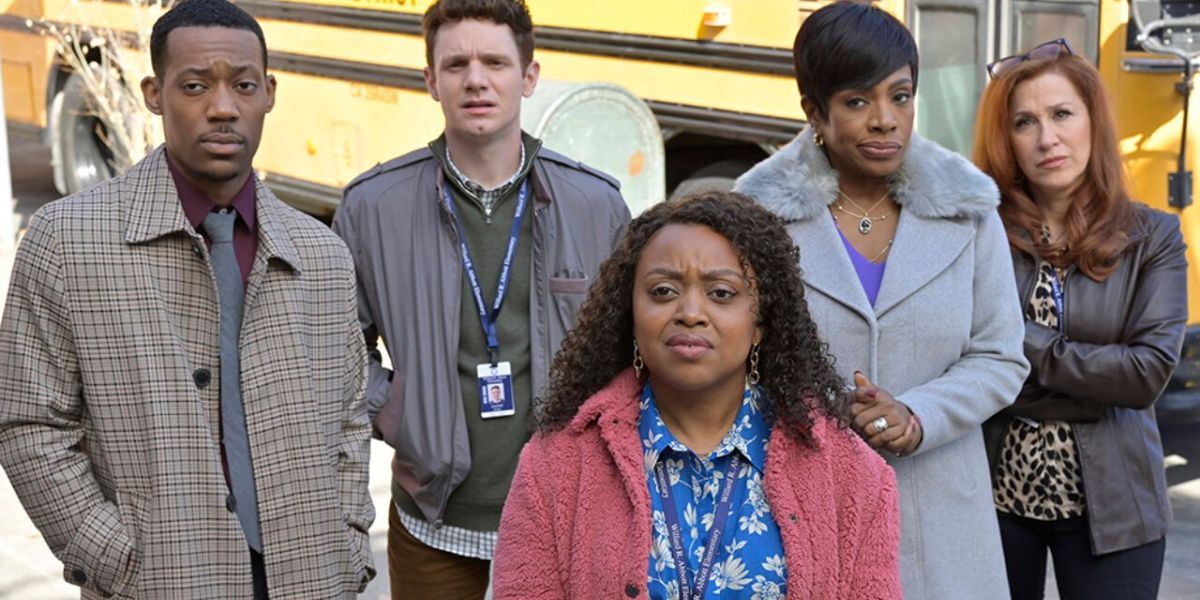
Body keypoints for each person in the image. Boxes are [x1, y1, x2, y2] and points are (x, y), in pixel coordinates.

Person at [0, 1, 374, 598]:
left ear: (270, 93)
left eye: (244, 86)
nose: (223, 107)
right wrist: (118, 557)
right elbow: (28, 423)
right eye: (195, 86)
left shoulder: (321, 253)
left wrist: (347, 541)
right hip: (160, 580)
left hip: (310, 576)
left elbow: (350, 418)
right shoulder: (68, 240)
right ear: (153, 92)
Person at [332, 0, 629, 597]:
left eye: (495, 61)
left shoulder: (595, 206)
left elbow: (632, 350)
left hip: (566, 519)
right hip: (435, 522)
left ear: (529, 76)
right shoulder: (373, 207)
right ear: (430, 81)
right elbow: (333, 347)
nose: (475, 79)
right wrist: (398, 411)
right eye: (456, 64)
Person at [734, 2, 1030, 598]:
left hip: (945, 522)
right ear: (814, 111)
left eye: (901, 95)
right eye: (857, 101)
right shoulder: (754, 218)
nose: (885, 120)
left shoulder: (968, 209)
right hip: (803, 511)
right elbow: (735, 361)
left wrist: (917, 414)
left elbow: (1002, 358)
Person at [491, 191, 900, 599]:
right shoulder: (556, 465)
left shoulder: (851, 475)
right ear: (630, 315)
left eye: (721, 293)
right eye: (663, 291)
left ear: (760, 323)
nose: (689, 311)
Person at [973, 40, 1187, 600]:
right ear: (1007, 140)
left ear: (1093, 119)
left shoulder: (1154, 236)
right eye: (1025, 122)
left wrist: (1019, 344)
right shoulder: (980, 234)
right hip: (993, 504)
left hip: (1117, 511)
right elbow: (964, 359)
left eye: (1062, 114)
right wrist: (1091, 386)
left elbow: (1145, 375)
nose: (1047, 138)